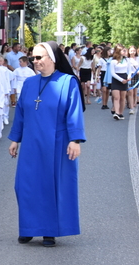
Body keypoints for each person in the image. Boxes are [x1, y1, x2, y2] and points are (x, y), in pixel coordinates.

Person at [8, 42, 85, 247]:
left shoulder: (67, 82)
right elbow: (21, 113)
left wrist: (75, 140)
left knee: (51, 186)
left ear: (52, 59)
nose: (35, 61)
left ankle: (49, 231)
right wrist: (15, 139)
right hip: (32, 143)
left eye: (39, 57)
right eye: (33, 58)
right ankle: (28, 228)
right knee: (25, 185)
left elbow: (74, 112)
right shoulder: (29, 83)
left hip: (57, 143)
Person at [110, 46, 130, 120]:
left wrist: (128, 77)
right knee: (116, 97)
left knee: (122, 97)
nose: (125, 52)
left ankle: (121, 113)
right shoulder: (113, 61)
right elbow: (112, 73)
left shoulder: (127, 60)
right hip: (116, 79)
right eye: (123, 50)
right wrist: (121, 80)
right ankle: (117, 113)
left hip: (124, 77)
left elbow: (129, 70)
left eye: (125, 50)